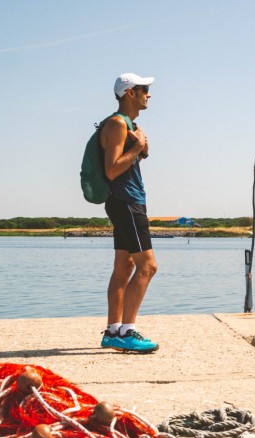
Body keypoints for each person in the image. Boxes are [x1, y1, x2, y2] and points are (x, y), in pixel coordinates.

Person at [99, 72, 159, 353]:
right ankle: (127, 330)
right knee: (148, 266)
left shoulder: (128, 124)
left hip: (127, 200)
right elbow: (111, 170)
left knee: (125, 266)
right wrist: (136, 147)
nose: (149, 94)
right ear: (130, 92)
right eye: (145, 89)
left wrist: (140, 147)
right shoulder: (116, 124)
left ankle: (113, 331)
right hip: (126, 202)